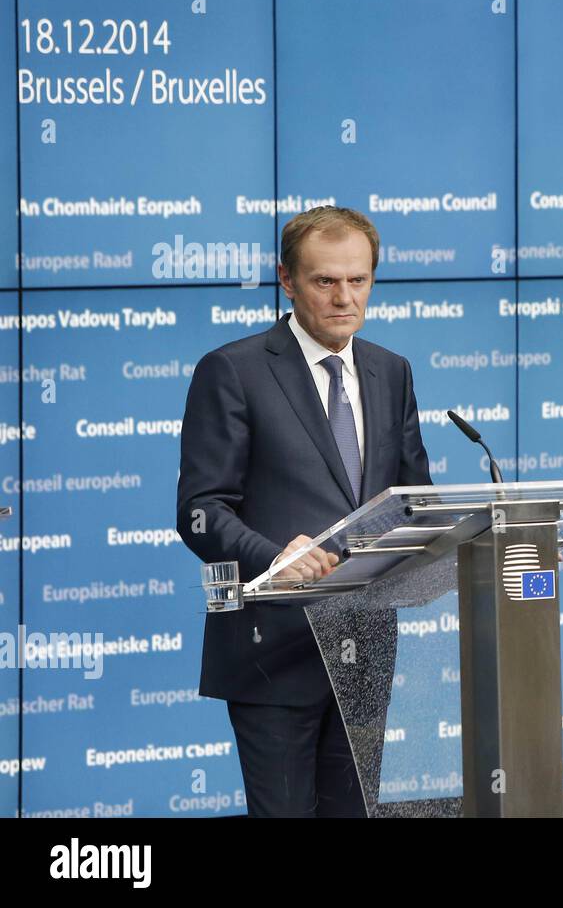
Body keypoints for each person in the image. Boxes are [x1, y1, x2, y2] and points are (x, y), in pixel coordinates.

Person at [177, 206, 432, 816]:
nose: (345, 298)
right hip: (275, 648)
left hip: (365, 643)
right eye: (325, 281)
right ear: (287, 280)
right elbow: (200, 510)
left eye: (358, 280)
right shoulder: (232, 370)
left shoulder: (390, 371)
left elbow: (414, 499)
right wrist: (275, 559)